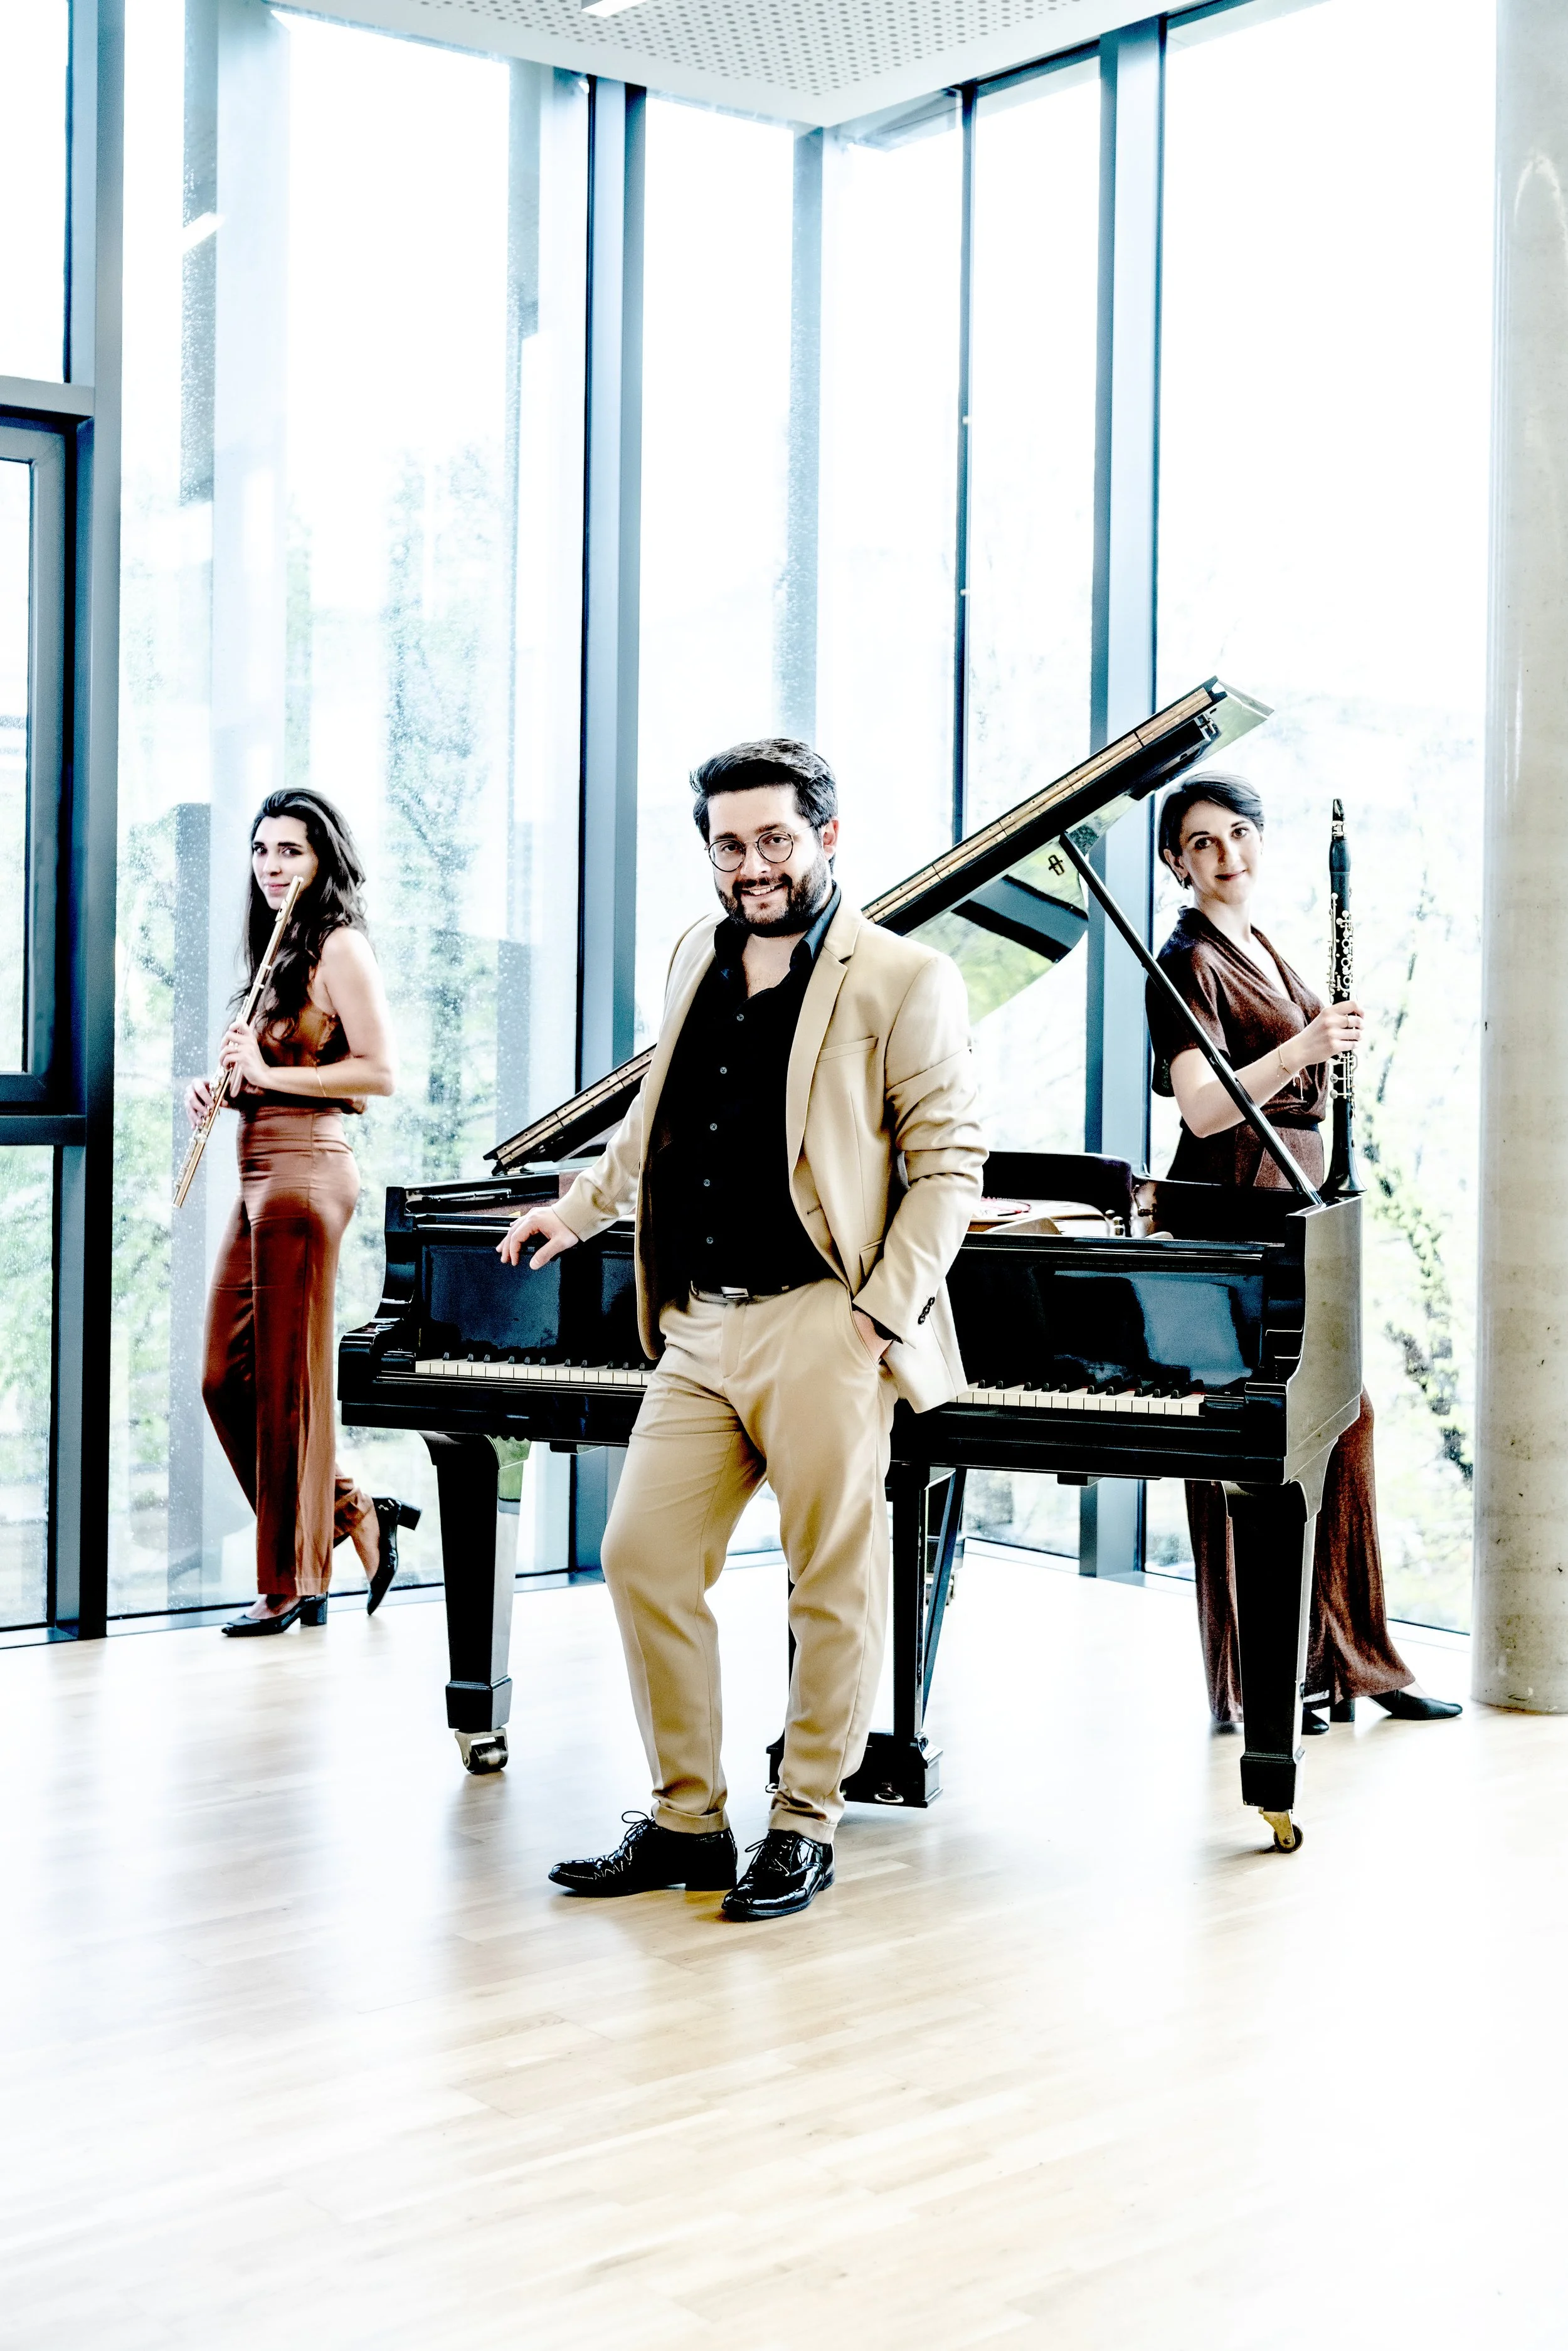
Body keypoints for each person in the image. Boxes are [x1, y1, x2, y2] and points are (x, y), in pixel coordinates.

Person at [499, 740, 985, 1919]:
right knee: (642, 1556)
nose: (752, 865)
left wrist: (878, 1315)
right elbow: (651, 1119)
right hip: (700, 1325)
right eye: (729, 844)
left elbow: (949, 1165)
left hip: (828, 1317)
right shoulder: (692, 956)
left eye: (774, 839)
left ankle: (805, 1822)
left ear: (826, 834)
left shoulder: (903, 978)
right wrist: (576, 1211)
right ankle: (688, 1822)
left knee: (831, 1579)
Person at [1147, 774, 1459, 1731]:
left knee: (1337, 1425)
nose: (1226, 854)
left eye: (1240, 834)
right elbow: (1202, 1106)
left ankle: (1345, 1666)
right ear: (1175, 861)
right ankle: (1267, 1680)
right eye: (1203, 842)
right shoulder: (1184, 959)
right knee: (1250, 1446)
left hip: (1293, 1213)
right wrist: (1307, 1044)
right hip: (1230, 1216)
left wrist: (1330, 1046)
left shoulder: (1265, 946)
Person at [186, 788, 420, 1636]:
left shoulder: (339, 946)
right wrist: (222, 1086)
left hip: (307, 1172)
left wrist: (270, 1074)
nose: (273, 866)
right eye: (262, 851)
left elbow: (380, 1074)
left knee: (290, 1386)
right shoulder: (275, 955)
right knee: (223, 1376)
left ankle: (287, 1583)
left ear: (323, 858)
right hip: (257, 1169)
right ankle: (353, 1512)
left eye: (291, 850)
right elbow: (272, 1065)